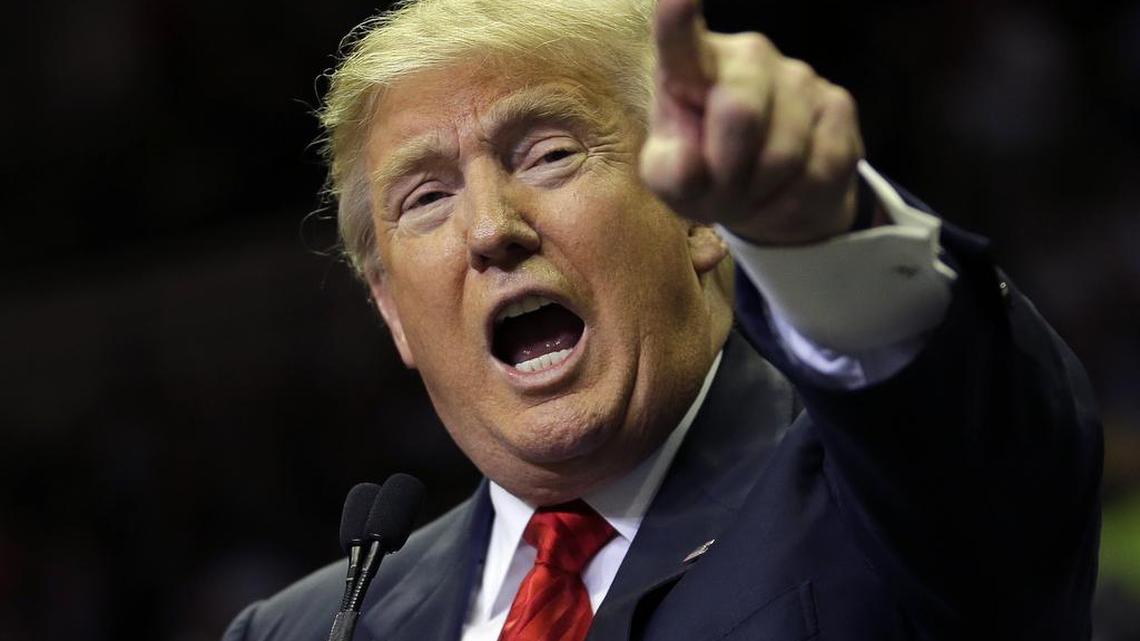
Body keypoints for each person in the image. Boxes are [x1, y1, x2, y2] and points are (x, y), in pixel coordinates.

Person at [223, 0, 1102, 639]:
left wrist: (822, 235)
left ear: (697, 211)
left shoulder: (878, 506)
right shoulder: (304, 627)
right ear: (390, 310)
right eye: (425, 198)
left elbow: (974, 441)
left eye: (549, 154)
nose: (490, 228)